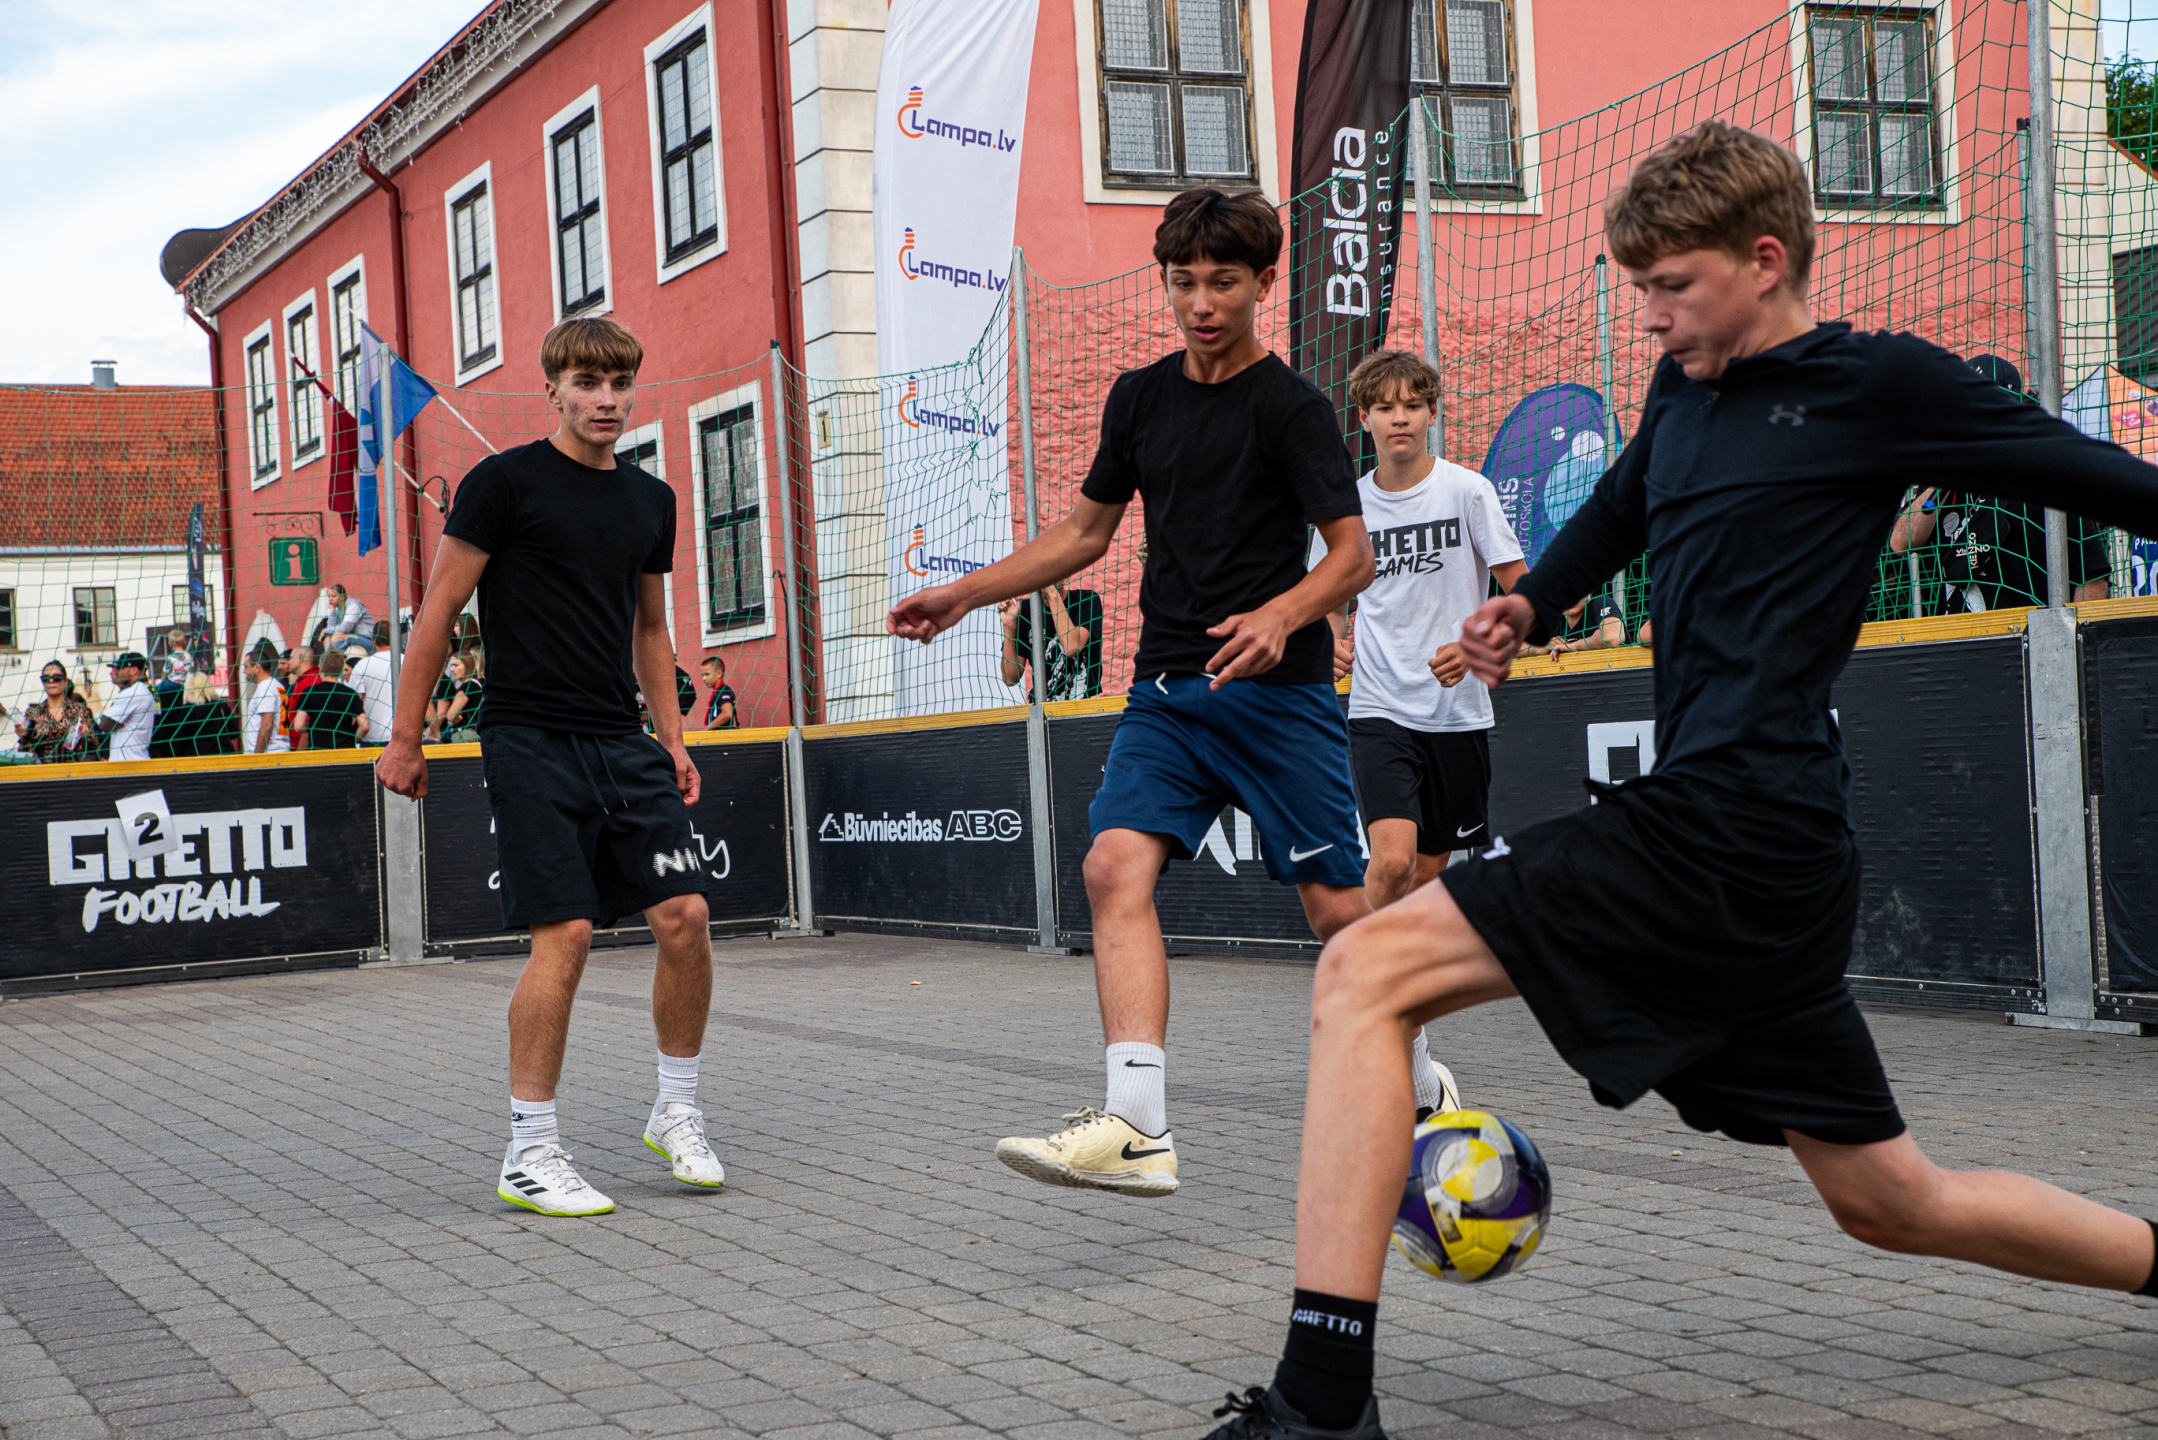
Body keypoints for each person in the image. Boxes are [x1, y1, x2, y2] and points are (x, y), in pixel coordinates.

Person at [1203, 122, 2158, 1440]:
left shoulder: (1878, 385)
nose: (1648, 315)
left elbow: (2102, 479)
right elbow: (1623, 505)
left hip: (1736, 829)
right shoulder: (1683, 388)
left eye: (1671, 287)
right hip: (1758, 855)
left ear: (1763, 261)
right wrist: (1530, 603)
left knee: (1362, 972)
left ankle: (1318, 1409)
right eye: (1637, 289)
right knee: (1891, 1203)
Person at [888, 188, 1376, 1197]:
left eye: (1223, 283)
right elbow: (1084, 534)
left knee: (1339, 911)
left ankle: (1415, 1074)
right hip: (1166, 693)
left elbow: (1351, 555)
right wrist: (965, 595)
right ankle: (1139, 1127)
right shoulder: (1139, 399)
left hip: (1278, 697)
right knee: (1113, 868)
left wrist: (1284, 615)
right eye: (1182, 282)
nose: (1200, 303)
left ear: (1264, 283)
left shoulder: (1293, 408)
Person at [375, 316, 719, 1219]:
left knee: (686, 916)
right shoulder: (502, 484)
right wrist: (405, 737)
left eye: (619, 384)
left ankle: (677, 1110)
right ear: (553, 390)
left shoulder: (651, 500)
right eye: (587, 384)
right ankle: (530, 1152)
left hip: (622, 740)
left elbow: (651, 628)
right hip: (528, 738)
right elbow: (439, 610)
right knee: (564, 934)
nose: (606, 400)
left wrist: (673, 739)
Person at [1314, 350, 1528, 923]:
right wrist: (1330, 638)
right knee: (1391, 863)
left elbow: (1523, 592)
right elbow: (1328, 599)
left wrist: (1475, 646)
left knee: (1427, 875)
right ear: (1364, 418)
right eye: (1385, 408)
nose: (1399, 418)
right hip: (1379, 704)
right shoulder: (1347, 508)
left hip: (1457, 711)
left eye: (1412, 405)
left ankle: (1399, 979)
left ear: (1432, 413)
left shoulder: (1468, 491)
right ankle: (1358, 969)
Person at [1886, 358, 2113, 610]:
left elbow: (2092, 579)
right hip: (1958, 631)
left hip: (2028, 629)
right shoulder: (1944, 481)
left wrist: (2067, 632)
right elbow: (1901, 542)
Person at [999, 584, 1105, 702]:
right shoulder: (1025, 610)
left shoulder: (1086, 599)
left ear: (1066, 576)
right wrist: (1009, 627)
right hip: (1042, 708)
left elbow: (1071, 647)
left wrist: (1052, 593)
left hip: (1085, 705)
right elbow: (1010, 678)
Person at [14, 663, 96, 762]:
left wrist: (85, 735)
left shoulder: (80, 710)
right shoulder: (32, 713)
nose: (51, 681)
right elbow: (24, 750)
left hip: (74, 768)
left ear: (65, 681)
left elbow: (94, 747)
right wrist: (23, 736)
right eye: (46, 678)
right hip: (42, 770)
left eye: (57, 677)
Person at [293, 646, 366, 749]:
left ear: (320, 667)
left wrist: (313, 728)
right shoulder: (350, 693)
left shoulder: (309, 692)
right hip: (345, 750)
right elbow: (365, 726)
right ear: (341, 669)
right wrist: (353, 738)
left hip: (319, 749)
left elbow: (298, 726)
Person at [154, 672, 240, 757]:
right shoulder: (221, 706)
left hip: (196, 758)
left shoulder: (189, 709)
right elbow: (234, 733)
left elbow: (180, 739)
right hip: (222, 755)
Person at [97, 652, 157, 763]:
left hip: (129, 761)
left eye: (120, 668)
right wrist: (116, 724)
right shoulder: (143, 690)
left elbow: (104, 724)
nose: (116, 671)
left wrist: (114, 724)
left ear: (134, 670)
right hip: (134, 758)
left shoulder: (133, 692)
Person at [347, 622, 397, 745]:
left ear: (372, 640)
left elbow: (355, 701)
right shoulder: (407, 661)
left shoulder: (362, 666)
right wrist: (435, 730)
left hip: (372, 737)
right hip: (402, 737)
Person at [242, 643, 289, 755]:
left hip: (270, 753)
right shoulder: (278, 686)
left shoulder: (265, 688)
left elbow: (267, 724)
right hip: (279, 749)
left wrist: (257, 755)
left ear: (257, 667)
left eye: (246, 667)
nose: (244, 671)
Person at [316, 583, 377, 656]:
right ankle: (332, 659)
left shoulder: (353, 606)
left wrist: (325, 630)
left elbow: (345, 628)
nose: (330, 599)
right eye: (329, 596)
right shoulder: (339, 609)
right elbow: (332, 628)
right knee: (328, 639)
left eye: (333, 596)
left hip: (369, 640)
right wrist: (332, 611)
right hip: (356, 638)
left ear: (342, 597)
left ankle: (339, 660)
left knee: (336, 637)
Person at [442, 651, 485, 740]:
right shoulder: (475, 684)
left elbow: (450, 716)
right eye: (451, 665)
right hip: (471, 733)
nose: (452, 669)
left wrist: (457, 716)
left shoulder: (469, 685)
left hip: (464, 735)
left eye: (455, 665)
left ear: (467, 665)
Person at [700, 655, 737, 729]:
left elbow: (727, 714)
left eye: (707, 674)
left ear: (719, 673)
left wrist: (709, 727)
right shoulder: (717, 692)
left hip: (723, 734)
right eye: (702, 675)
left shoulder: (724, 691)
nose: (704, 678)